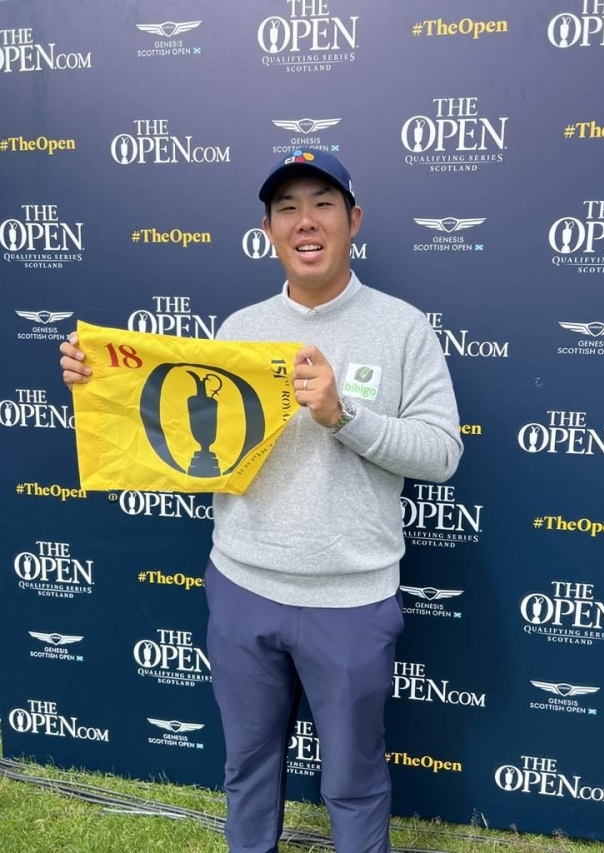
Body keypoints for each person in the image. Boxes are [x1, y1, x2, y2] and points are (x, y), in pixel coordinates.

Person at [60, 149, 463, 853]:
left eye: (323, 203)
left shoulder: (403, 329)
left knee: (353, 781)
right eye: (287, 208)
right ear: (269, 230)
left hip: (351, 601)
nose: (305, 221)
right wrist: (103, 389)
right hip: (244, 587)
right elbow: (188, 441)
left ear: (354, 220)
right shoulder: (239, 330)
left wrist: (345, 415)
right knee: (247, 769)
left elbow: (442, 453)